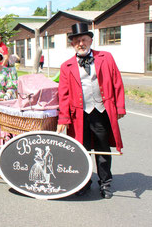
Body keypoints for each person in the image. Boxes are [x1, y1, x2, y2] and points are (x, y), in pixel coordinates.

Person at [57, 22, 126, 199]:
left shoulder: (106, 57)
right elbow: (63, 95)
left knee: (103, 149)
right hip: (79, 115)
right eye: (77, 40)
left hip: (101, 111)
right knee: (81, 149)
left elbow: (117, 82)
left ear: (90, 40)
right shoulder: (66, 66)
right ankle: (83, 182)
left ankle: (105, 183)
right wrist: (63, 119)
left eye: (84, 39)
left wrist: (119, 107)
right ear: (73, 44)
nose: (81, 43)